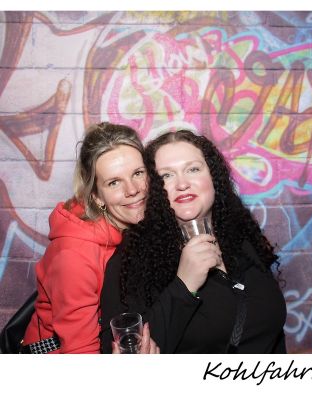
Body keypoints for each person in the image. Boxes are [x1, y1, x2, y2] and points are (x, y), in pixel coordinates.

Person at [100, 129, 287, 353]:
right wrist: (184, 285)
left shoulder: (242, 238)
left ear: (213, 176)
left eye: (193, 169)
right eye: (166, 176)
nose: (182, 184)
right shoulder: (132, 261)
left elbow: (273, 335)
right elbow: (130, 351)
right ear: (153, 188)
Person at [22, 122, 158, 354]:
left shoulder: (137, 227)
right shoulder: (74, 255)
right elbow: (79, 352)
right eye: (114, 182)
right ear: (96, 196)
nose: (132, 189)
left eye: (138, 173)